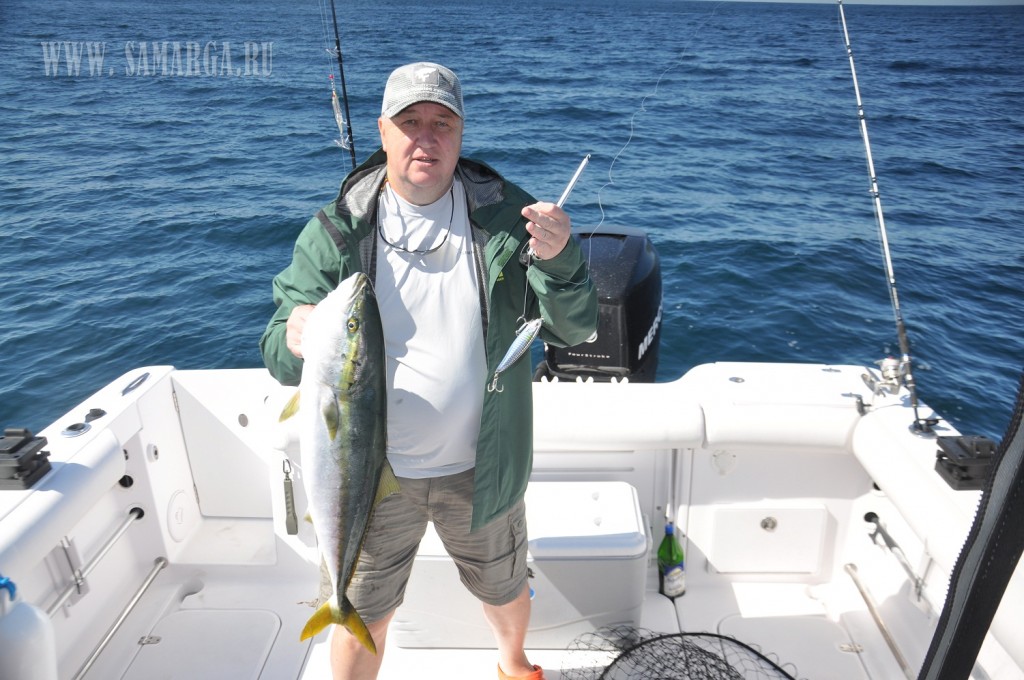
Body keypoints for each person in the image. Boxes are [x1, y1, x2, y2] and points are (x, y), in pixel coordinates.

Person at [260, 62, 597, 680]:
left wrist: (561, 262)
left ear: (461, 133)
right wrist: (294, 334)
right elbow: (280, 358)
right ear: (382, 131)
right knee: (364, 612)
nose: (426, 138)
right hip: (368, 474)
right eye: (410, 122)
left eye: (443, 123)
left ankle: (514, 664)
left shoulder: (510, 218)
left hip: (483, 465)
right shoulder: (336, 231)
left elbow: (573, 330)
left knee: (504, 587)